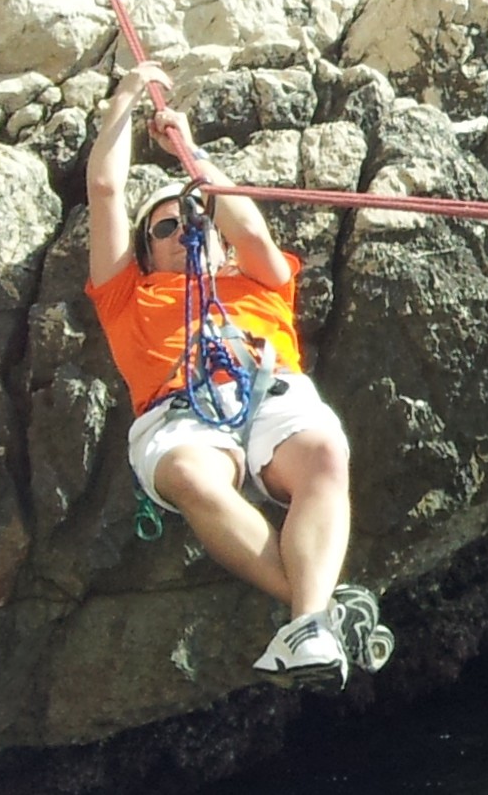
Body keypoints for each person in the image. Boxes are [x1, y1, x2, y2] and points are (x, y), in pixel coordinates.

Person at [83, 61, 392, 686]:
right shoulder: (127, 297)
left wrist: (191, 154)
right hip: (180, 417)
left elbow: (246, 224)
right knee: (191, 476)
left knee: (325, 452)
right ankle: (320, 617)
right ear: (145, 251)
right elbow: (106, 193)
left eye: (194, 220)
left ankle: (307, 623)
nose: (182, 231)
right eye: (165, 227)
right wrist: (123, 100)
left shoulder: (259, 282)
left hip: (270, 393)